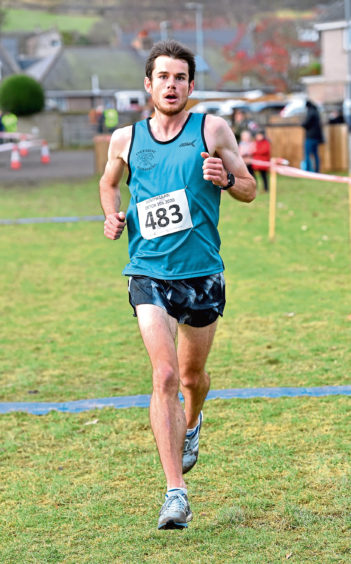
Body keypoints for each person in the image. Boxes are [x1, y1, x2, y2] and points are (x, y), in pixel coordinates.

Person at [99, 40, 256, 530]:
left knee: (191, 379)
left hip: (202, 273)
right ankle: (175, 494)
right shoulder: (125, 138)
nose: (171, 85)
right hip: (147, 272)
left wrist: (227, 181)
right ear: (148, 85)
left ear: (191, 85)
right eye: (162, 77)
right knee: (164, 376)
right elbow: (108, 182)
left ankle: (193, 421)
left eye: (180, 78)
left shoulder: (212, 129)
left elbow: (251, 187)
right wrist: (111, 214)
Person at [302, 100, 324, 173]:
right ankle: (317, 170)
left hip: (310, 137)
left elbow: (307, 124)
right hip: (316, 137)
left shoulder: (310, 112)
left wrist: (302, 124)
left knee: (307, 154)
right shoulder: (316, 112)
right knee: (315, 154)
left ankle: (307, 171)